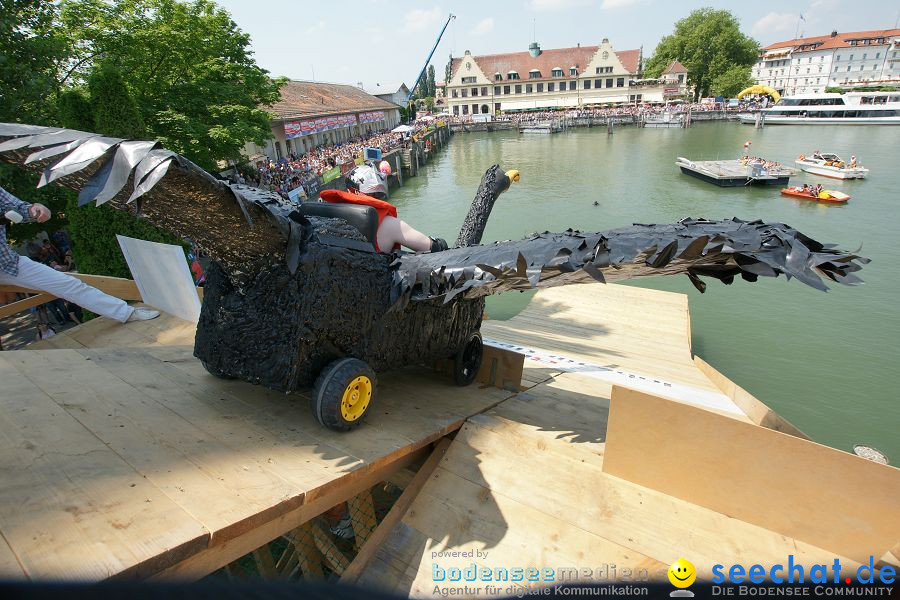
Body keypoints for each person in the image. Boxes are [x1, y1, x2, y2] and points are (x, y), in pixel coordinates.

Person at [0, 185, 159, 323]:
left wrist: (35, 209)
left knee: (68, 284)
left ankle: (126, 313)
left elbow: (19, 208)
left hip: (8, 263)